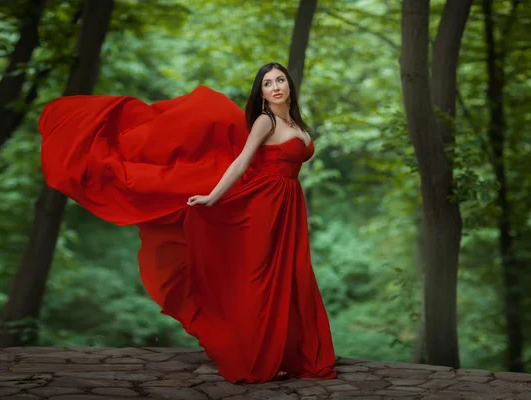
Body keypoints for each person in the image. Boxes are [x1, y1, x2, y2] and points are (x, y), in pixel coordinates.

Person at [38, 62, 337, 383]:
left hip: (289, 205)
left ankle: (292, 355)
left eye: (280, 80)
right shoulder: (266, 121)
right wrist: (212, 196)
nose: (275, 86)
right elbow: (240, 163)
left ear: (289, 85)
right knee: (260, 277)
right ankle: (254, 358)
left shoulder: (295, 122)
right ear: (261, 92)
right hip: (263, 202)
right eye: (267, 83)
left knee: (294, 274)